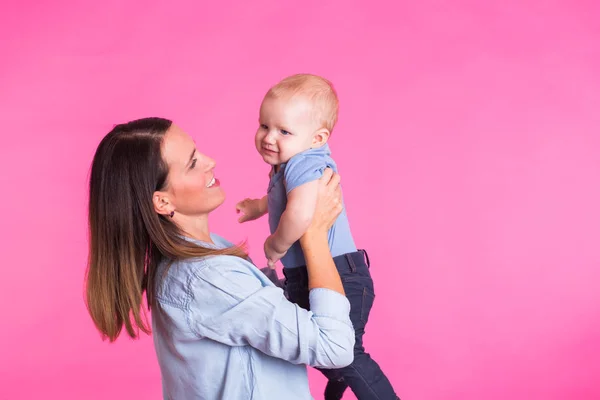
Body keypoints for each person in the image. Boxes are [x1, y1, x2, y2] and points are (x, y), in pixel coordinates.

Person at [85, 117, 355, 400]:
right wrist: (313, 233)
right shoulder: (209, 278)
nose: (209, 161)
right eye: (192, 163)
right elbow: (333, 346)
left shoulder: (201, 256)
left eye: (197, 151)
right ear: (162, 201)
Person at [236, 74, 399, 399]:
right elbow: (285, 199)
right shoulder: (292, 162)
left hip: (338, 275)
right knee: (310, 342)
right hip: (306, 276)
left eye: (283, 131)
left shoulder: (305, 162)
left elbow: (299, 213)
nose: (269, 137)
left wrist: (276, 244)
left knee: (348, 351)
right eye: (264, 125)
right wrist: (258, 207)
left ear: (317, 137)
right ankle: (337, 373)